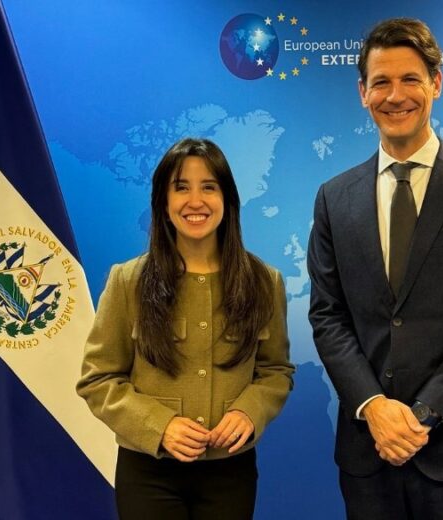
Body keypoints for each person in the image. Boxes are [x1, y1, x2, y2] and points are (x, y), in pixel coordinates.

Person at [307, 18, 443, 519]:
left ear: (436, 83)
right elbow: (328, 316)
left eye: (410, 79)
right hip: (369, 454)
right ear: (363, 93)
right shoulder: (334, 198)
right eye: (381, 82)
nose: (395, 95)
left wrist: (423, 415)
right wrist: (374, 407)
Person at [77, 138, 294, 520]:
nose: (196, 201)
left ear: (227, 200)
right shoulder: (128, 281)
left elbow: (275, 371)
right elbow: (98, 380)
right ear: (163, 202)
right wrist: (159, 426)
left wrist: (249, 411)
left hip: (231, 472)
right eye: (181, 188)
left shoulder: (264, 282)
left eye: (209, 187)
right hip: (148, 473)